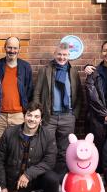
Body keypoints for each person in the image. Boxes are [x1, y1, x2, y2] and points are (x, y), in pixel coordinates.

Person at [0, 102, 60, 192]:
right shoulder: (9, 133)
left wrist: (28, 174)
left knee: (53, 179)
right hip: (16, 182)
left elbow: (50, 161)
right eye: (29, 115)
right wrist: (2, 185)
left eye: (36, 117)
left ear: (41, 120)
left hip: (37, 178)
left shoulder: (48, 135)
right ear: (24, 116)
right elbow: (0, 160)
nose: (32, 119)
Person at [33, 42, 83, 175]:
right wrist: (39, 116)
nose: (62, 57)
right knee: (47, 148)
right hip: (49, 116)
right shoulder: (45, 70)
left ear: (69, 55)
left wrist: (74, 115)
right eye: (59, 54)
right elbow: (37, 93)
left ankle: (61, 178)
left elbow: (79, 94)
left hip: (68, 117)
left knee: (65, 150)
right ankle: (46, 179)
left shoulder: (73, 71)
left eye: (65, 55)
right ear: (54, 54)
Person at [0, 36, 33, 146]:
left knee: (17, 146)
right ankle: (0, 164)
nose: (12, 51)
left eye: (15, 48)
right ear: (5, 48)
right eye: (9, 47)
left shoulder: (25, 67)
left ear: (19, 49)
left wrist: (26, 112)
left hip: (18, 115)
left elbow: (29, 90)